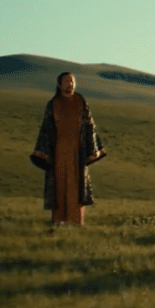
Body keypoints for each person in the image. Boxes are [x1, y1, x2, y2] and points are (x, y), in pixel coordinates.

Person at [30, 72, 107, 226]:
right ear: (59, 85)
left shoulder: (81, 101)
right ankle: (58, 221)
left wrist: (90, 149)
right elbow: (47, 129)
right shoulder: (53, 103)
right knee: (59, 186)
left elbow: (88, 125)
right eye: (66, 81)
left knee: (76, 186)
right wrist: (45, 153)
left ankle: (76, 222)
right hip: (58, 151)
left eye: (72, 81)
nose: (70, 84)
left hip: (77, 152)